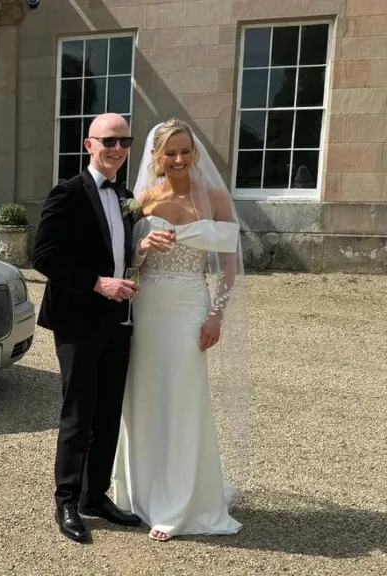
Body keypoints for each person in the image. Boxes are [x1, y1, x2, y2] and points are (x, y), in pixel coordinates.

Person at [111, 118, 251, 542]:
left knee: (185, 399)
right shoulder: (143, 201)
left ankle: (186, 502)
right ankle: (144, 495)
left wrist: (216, 316)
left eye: (185, 151)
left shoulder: (215, 199)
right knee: (146, 397)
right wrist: (141, 248)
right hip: (150, 309)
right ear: (155, 157)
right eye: (169, 152)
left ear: (194, 153)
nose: (178, 159)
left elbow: (228, 266)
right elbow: (129, 266)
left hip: (191, 308)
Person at [32, 113, 144, 544]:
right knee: (79, 411)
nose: (117, 148)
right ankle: (66, 500)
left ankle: (95, 495)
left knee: (109, 408)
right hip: (79, 319)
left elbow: (122, 250)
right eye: (108, 141)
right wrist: (98, 283)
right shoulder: (67, 193)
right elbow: (43, 255)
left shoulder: (127, 196)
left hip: (120, 320)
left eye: (123, 141)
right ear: (89, 144)